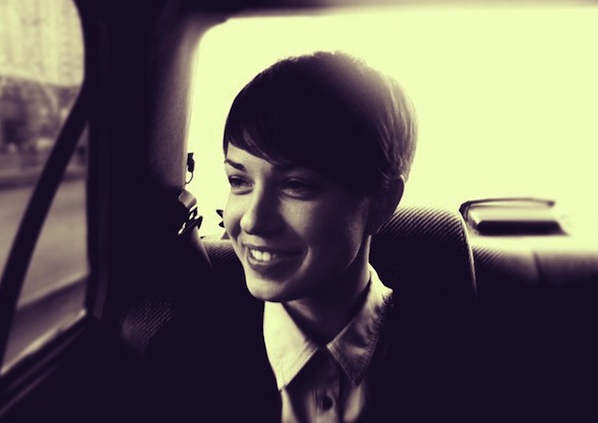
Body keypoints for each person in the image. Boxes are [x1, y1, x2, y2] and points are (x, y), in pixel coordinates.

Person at [143, 51, 476, 422]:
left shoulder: (457, 352)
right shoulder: (183, 357)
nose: (253, 220)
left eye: (296, 186)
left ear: (381, 202)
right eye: (239, 181)